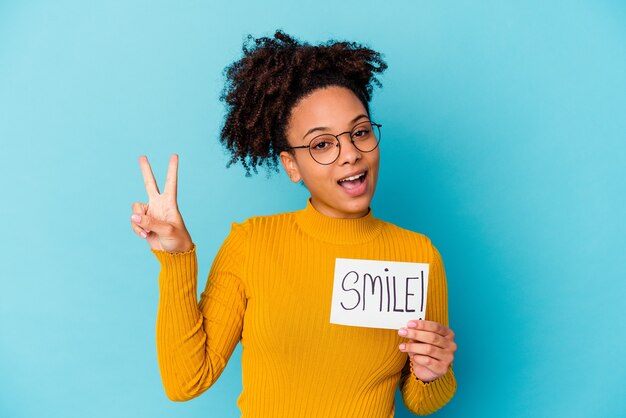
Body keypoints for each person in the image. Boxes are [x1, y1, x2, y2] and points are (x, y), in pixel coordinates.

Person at [130, 30, 457, 417]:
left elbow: (421, 402)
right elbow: (186, 380)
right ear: (291, 166)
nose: (350, 154)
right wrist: (177, 259)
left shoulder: (417, 256)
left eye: (360, 132)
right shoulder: (252, 243)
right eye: (322, 144)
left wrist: (433, 372)